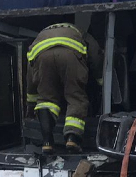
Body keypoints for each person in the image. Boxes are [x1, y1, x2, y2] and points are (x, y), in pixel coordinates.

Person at [26, 19, 103, 154]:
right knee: (75, 98)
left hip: (42, 56)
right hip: (71, 55)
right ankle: (72, 138)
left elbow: (31, 73)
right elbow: (96, 54)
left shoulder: (42, 34)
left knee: (46, 99)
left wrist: (31, 103)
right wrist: (100, 80)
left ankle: (47, 142)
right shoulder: (79, 31)